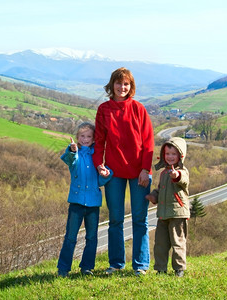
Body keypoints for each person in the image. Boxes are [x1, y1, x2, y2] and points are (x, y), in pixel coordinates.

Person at [92, 67, 154, 276]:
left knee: (139, 218)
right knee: (115, 219)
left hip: (139, 172)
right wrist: (98, 164)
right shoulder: (104, 110)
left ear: (131, 86)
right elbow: (99, 141)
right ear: (112, 85)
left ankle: (141, 265)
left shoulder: (138, 109)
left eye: (126, 84)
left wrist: (146, 169)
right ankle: (117, 263)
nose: (122, 87)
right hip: (113, 172)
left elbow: (148, 142)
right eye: (118, 83)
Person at [57, 122, 112, 277]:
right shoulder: (75, 155)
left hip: (93, 204)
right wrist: (72, 150)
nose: (85, 139)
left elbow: (100, 180)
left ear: (94, 138)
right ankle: (63, 269)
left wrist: (106, 174)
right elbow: (70, 160)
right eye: (82, 136)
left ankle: (87, 267)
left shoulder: (98, 156)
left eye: (88, 136)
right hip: (76, 202)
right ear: (77, 137)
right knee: (70, 237)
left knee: (92, 237)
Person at [146, 137, 190, 277]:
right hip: (163, 214)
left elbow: (182, 179)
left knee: (177, 242)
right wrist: (153, 196)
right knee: (160, 243)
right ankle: (160, 268)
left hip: (177, 214)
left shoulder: (182, 171)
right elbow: (161, 190)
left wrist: (176, 175)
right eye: (167, 154)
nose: (170, 157)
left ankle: (179, 269)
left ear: (180, 155)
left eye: (173, 154)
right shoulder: (164, 173)